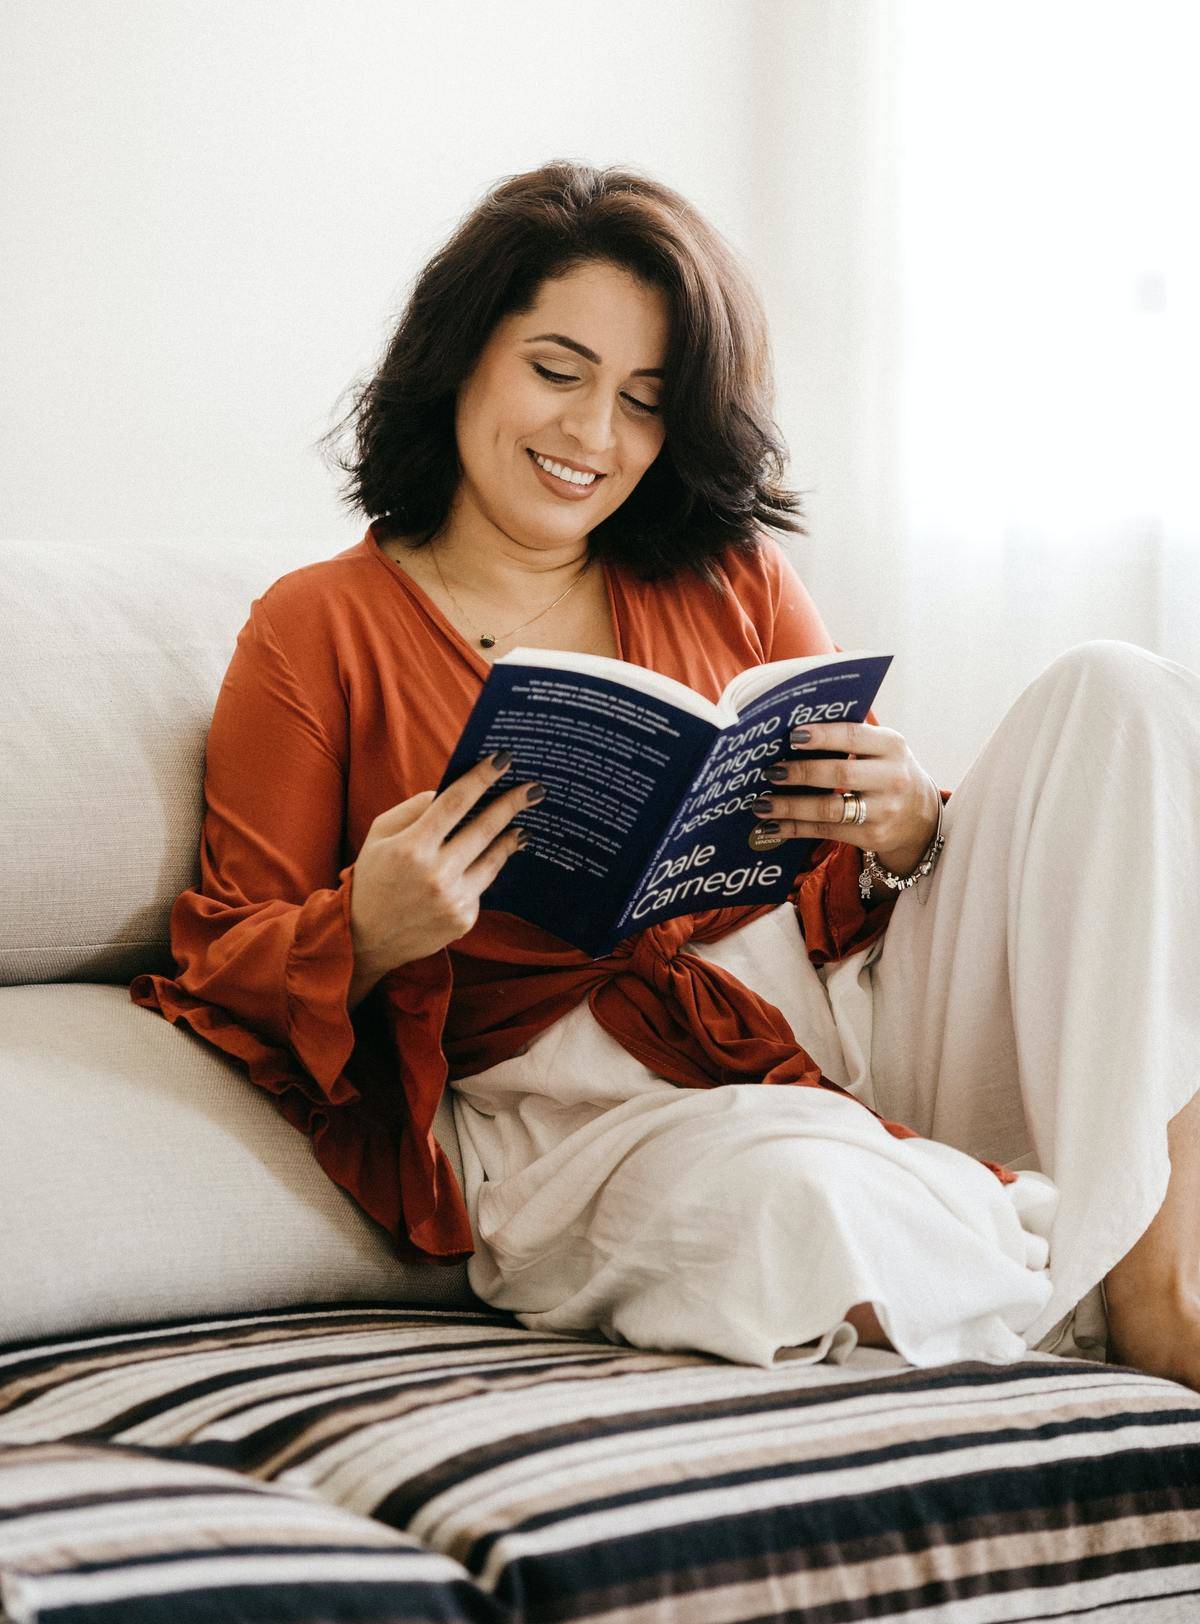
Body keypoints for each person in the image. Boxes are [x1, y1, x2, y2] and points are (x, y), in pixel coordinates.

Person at [132, 160, 1200, 1386]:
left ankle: (1155, 1287)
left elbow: (870, 848)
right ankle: (1035, 1251)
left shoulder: (725, 573)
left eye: (644, 401)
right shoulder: (315, 628)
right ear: (463, 355)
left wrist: (907, 823)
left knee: (1125, 696)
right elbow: (218, 957)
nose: (593, 435)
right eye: (556, 371)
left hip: (840, 1010)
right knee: (796, 1197)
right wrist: (366, 929)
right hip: (594, 1113)